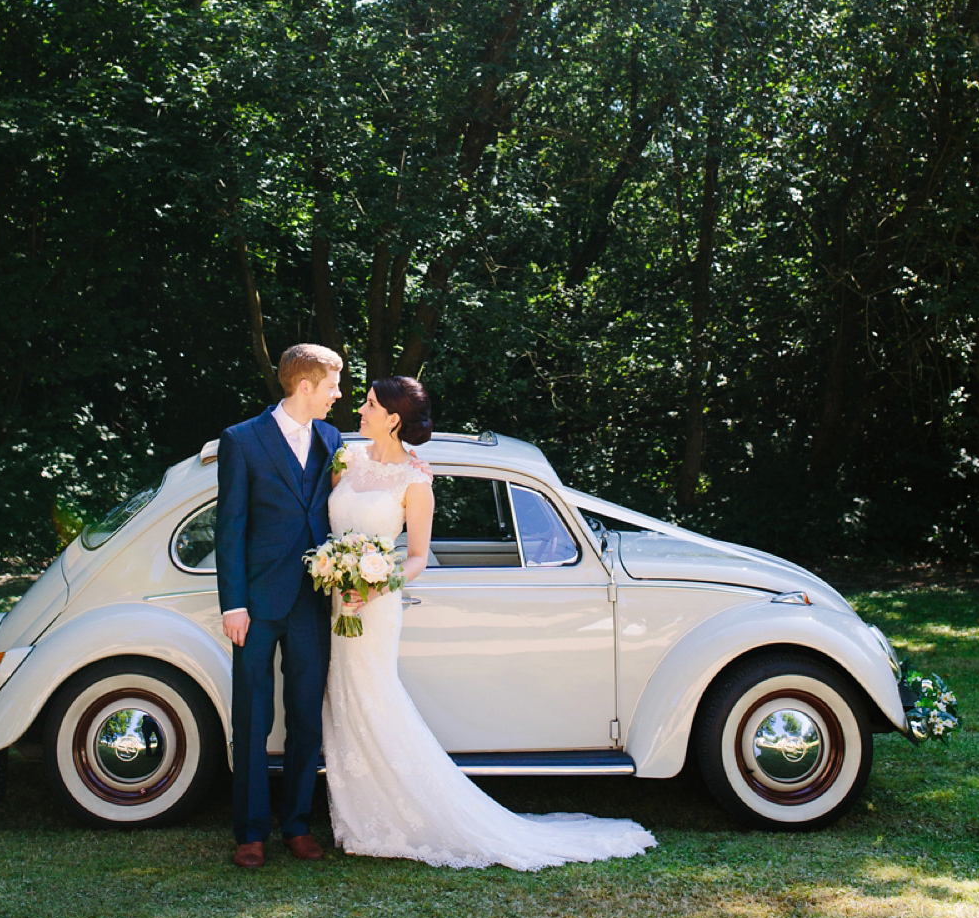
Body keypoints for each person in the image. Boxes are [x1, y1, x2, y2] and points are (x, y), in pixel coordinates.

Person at [322, 375, 657, 868]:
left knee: (372, 697)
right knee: (341, 700)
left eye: (370, 405)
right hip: (333, 599)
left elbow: (415, 556)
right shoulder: (346, 460)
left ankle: (390, 816)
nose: (361, 410)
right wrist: (336, 568)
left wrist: (375, 583)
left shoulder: (416, 480)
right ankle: (357, 814)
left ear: (393, 419)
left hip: (374, 604)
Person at [215, 343, 343, 869]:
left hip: (313, 600)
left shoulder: (333, 439)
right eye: (332, 385)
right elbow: (231, 528)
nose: (339, 396)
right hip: (257, 604)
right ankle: (249, 831)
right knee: (251, 716)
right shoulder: (241, 441)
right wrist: (234, 604)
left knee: (307, 717)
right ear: (305, 386)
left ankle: (295, 824)